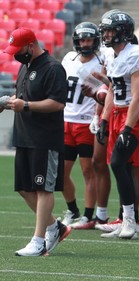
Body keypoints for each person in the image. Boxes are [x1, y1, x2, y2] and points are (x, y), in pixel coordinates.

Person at [1, 27, 71, 256]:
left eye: (17, 49)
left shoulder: (53, 68)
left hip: (45, 139)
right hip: (24, 136)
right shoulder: (25, 66)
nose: (14, 54)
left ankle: (39, 241)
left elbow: (58, 103)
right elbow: (24, 98)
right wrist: (9, 103)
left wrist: (26, 106)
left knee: (43, 188)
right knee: (23, 188)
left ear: (31, 45)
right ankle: (54, 227)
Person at [92, 10, 139, 240]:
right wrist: (104, 120)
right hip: (118, 112)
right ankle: (127, 220)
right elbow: (111, 93)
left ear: (123, 32)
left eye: (110, 30)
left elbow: (138, 97)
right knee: (122, 167)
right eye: (105, 30)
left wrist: (128, 128)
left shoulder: (137, 54)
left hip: (133, 115)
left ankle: (129, 220)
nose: (106, 34)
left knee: (119, 164)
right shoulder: (114, 55)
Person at [60, 21, 107, 229]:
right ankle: (72, 209)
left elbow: (106, 92)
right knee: (60, 173)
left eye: (88, 39)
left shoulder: (100, 61)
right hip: (65, 121)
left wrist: (99, 116)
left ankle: (88, 215)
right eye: (82, 39)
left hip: (86, 123)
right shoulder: (68, 58)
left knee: (88, 170)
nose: (85, 43)